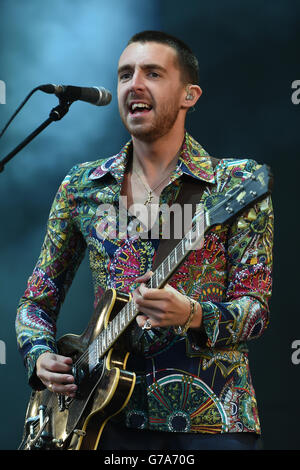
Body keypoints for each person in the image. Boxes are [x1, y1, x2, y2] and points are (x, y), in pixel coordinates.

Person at [16, 30, 273, 451]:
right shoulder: (82, 184)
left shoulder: (237, 182)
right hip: (97, 421)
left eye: (152, 73)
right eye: (124, 75)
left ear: (189, 95)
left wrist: (192, 313)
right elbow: (37, 300)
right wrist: (40, 356)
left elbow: (255, 310)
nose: (134, 84)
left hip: (209, 422)